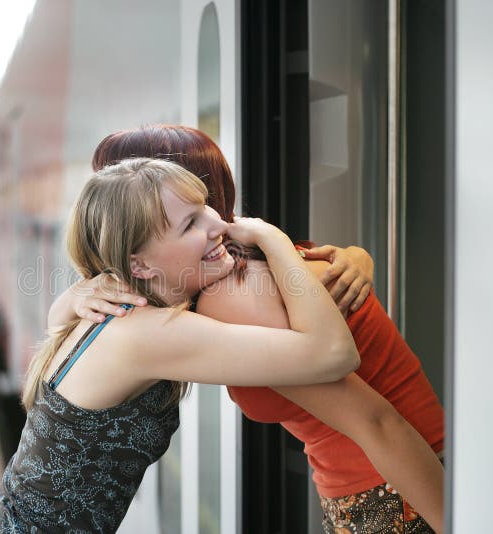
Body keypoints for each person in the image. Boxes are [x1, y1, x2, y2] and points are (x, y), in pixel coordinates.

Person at [50, 124, 445, 533]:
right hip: (390, 481)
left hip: (397, 493)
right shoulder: (240, 267)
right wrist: (73, 298)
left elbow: (375, 420)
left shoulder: (232, 293)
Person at [0, 158, 359, 533]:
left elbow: (58, 325)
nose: (221, 224)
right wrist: (272, 239)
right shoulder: (144, 332)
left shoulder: (111, 312)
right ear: (140, 266)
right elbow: (334, 354)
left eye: (204, 207)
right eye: (190, 224)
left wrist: (355, 259)